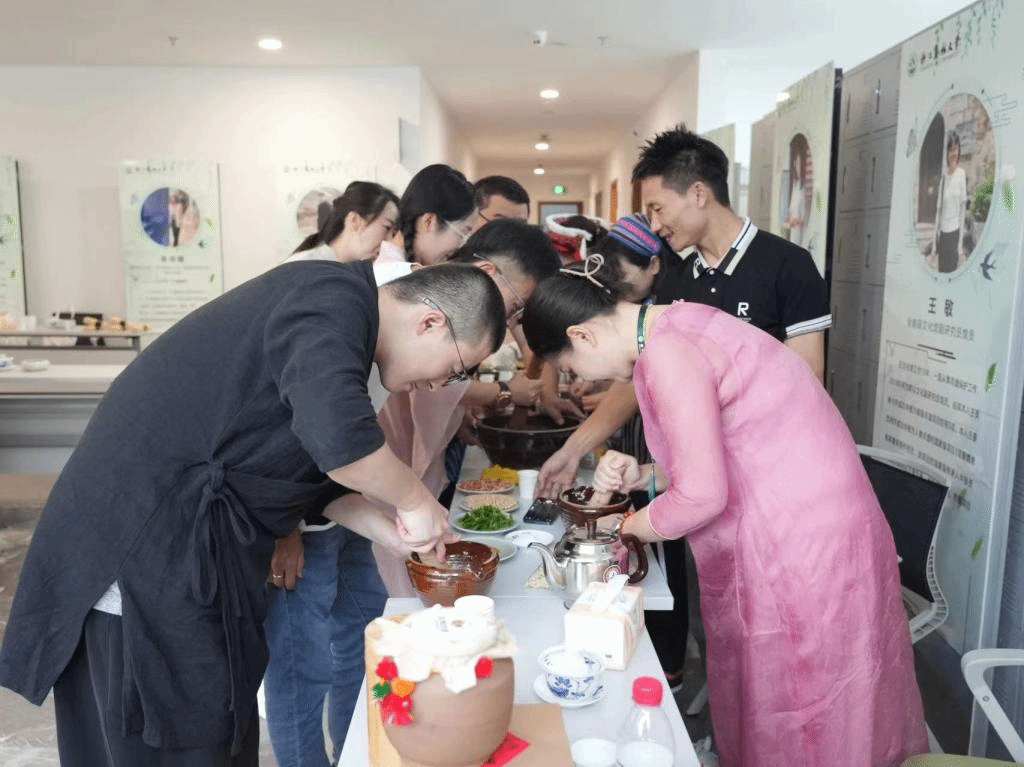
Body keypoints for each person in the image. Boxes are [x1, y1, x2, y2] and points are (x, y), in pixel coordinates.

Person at [0, 261, 506, 766]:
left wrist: (391, 533)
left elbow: (311, 480)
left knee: (217, 730)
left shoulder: (343, 323)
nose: (442, 385)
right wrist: (414, 499)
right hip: (139, 557)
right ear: (431, 322)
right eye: (458, 368)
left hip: (193, 555)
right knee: (171, 739)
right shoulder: (331, 302)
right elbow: (340, 443)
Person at [521, 258, 929, 767]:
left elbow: (701, 496)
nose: (585, 379)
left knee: (803, 701)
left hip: (794, 541)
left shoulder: (668, 353)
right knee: (834, 690)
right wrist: (644, 477)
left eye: (571, 368)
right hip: (816, 525)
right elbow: (729, 449)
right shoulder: (683, 320)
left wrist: (626, 529)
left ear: (582, 335)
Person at [263, 218, 562, 767]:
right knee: (303, 666)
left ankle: (358, 751)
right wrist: (286, 526)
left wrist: (394, 524)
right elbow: (304, 438)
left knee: (364, 640)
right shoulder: (359, 309)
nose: (443, 383)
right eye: (517, 309)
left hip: (341, 502)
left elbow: (329, 459)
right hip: (296, 517)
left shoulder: (395, 328)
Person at [385, 163, 476, 265]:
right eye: (463, 233)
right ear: (428, 222)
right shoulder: (393, 271)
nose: (462, 247)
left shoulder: (390, 264)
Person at [290, 180, 399, 260]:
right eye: (387, 228)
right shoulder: (303, 265)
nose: (390, 241)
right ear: (354, 220)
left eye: (394, 234)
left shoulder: (371, 272)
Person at [933, 130, 966, 273]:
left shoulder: (961, 174)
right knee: (942, 274)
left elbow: (962, 211)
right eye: (951, 149)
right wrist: (934, 243)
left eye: (956, 149)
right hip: (943, 236)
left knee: (951, 274)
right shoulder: (944, 177)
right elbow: (938, 210)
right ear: (947, 152)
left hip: (954, 235)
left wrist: (960, 245)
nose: (954, 153)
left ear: (959, 151)